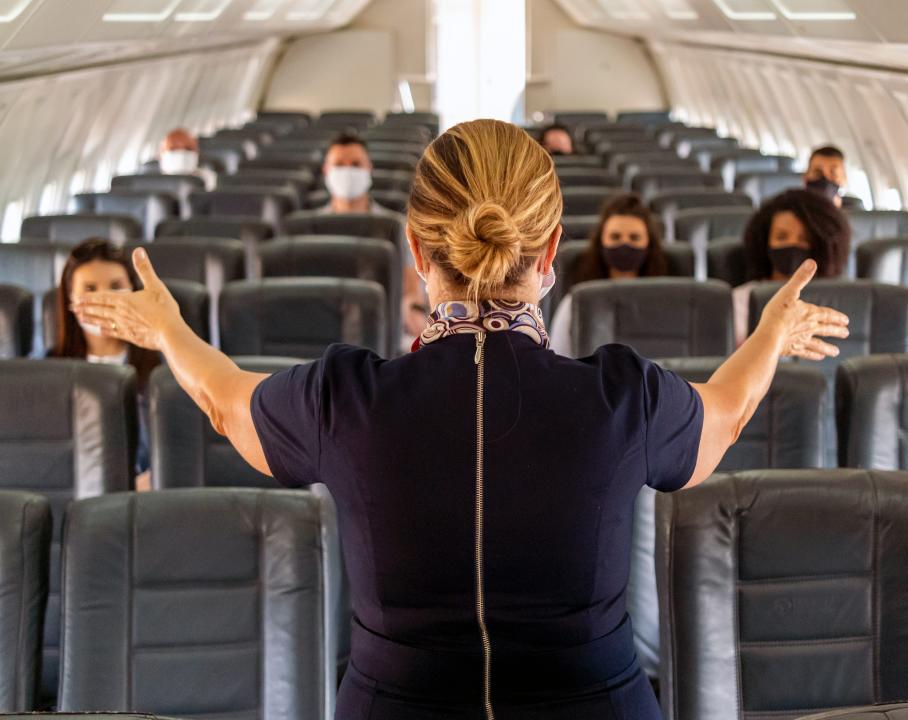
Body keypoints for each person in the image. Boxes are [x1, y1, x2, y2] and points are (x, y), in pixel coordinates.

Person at [74, 119, 848, 720]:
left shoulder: (346, 399)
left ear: (416, 249)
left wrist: (170, 330)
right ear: (550, 253)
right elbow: (726, 411)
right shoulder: (624, 397)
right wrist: (770, 335)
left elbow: (222, 398)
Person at [50, 238, 161, 491]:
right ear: (70, 299)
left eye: (115, 286)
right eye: (90, 288)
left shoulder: (164, 370)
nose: (105, 299)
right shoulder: (47, 373)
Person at [320, 132, 429, 342]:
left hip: (383, 327)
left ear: (369, 168)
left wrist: (410, 309)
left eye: (355, 164)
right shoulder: (308, 228)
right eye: (339, 165)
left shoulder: (394, 227)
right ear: (326, 171)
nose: (347, 171)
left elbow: (410, 286)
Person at [550, 193, 667, 357]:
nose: (625, 244)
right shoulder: (576, 303)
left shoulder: (667, 300)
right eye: (615, 237)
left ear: (649, 244)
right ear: (601, 243)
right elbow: (559, 358)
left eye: (634, 238)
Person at [733, 188, 852, 346]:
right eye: (782, 237)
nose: (793, 245)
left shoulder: (844, 300)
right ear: (764, 243)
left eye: (804, 238)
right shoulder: (740, 300)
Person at [804, 145, 860, 209]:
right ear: (805, 177)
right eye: (818, 172)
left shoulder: (855, 212)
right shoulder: (793, 210)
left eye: (833, 173)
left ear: (844, 179)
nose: (826, 178)